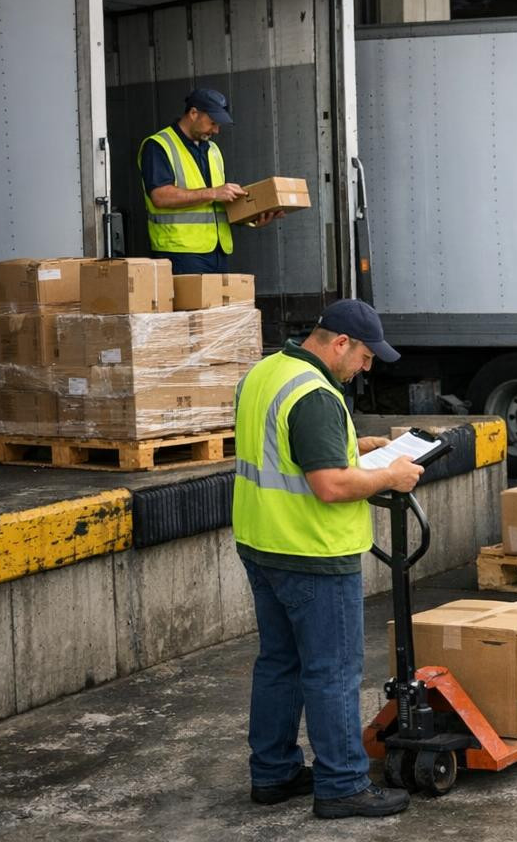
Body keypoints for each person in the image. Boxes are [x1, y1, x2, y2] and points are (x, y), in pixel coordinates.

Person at [232, 299, 422, 819]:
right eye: (364, 356)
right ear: (340, 343)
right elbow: (330, 485)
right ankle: (341, 785)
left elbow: (281, 449)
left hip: (262, 541)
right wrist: (390, 475)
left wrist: (353, 444)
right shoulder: (316, 393)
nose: (366, 367)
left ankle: (272, 773)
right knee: (332, 672)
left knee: (280, 663)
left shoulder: (267, 371)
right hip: (312, 552)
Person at [138, 87, 281, 275]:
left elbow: (217, 205)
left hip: (218, 252)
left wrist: (252, 217)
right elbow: (160, 196)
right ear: (193, 113)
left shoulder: (212, 149)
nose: (216, 130)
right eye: (212, 122)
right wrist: (213, 192)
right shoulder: (158, 146)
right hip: (179, 252)